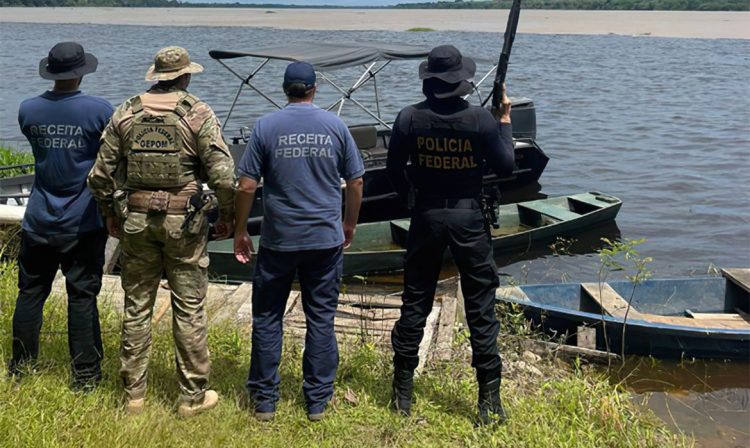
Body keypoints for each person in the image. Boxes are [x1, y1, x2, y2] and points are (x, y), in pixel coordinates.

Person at [87, 46, 235, 417]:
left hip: (135, 223)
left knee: (137, 307)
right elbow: (224, 177)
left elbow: (100, 177)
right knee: (189, 309)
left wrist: (110, 213)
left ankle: (133, 395)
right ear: (185, 77)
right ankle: (192, 397)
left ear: (156, 76)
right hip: (183, 226)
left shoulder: (126, 112)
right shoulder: (197, 113)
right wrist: (228, 216)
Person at [386, 45, 515, 425]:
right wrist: (504, 123)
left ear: (429, 81)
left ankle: (401, 395)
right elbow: (506, 167)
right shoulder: (481, 120)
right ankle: (489, 404)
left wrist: (411, 197)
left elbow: (395, 170)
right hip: (468, 218)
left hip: (426, 215)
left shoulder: (409, 118)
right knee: (480, 305)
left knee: (415, 301)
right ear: (462, 82)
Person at [233, 61, 364, 422]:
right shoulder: (335, 126)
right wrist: (348, 224)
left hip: (278, 241)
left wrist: (240, 229)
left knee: (268, 316)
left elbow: (246, 185)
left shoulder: (265, 126)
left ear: (285, 89)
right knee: (321, 317)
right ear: (314, 90)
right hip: (325, 239)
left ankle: (264, 401)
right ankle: (318, 401)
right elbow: (355, 182)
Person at [8, 42, 114, 391]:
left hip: (38, 217)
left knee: (30, 293)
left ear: (50, 71)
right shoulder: (100, 111)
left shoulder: (28, 110)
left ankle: (21, 368)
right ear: (82, 71)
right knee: (82, 296)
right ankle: (85, 378)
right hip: (82, 221)